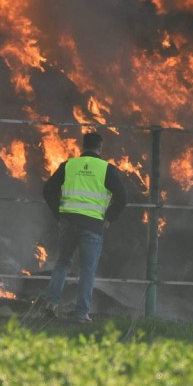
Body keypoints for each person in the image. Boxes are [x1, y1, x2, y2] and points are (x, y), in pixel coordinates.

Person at [42, 131, 128, 323]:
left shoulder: (69, 165)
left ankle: (51, 304)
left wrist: (59, 214)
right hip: (93, 225)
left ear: (82, 146)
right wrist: (109, 218)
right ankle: (81, 314)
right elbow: (123, 197)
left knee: (63, 263)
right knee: (87, 270)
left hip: (69, 222)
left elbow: (48, 189)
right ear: (100, 147)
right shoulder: (107, 169)